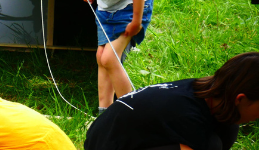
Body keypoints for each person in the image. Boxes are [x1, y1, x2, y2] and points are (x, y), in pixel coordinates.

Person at [85, 52, 259, 150]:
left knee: (227, 128)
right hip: (104, 146)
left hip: (117, 139)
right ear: (240, 99)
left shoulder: (202, 93)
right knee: (211, 146)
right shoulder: (187, 114)